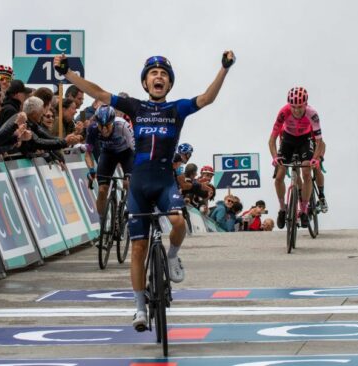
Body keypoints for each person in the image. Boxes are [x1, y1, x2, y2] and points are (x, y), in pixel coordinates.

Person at [55, 50, 236, 331]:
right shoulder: (135, 107)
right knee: (138, 248)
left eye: (164, 74)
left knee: (178, 222)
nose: (159, 77)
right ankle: (139, 308)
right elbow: (100, 93)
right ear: (145, 83)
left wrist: (224, 68)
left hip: (164, 180)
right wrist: (67, 74)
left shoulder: (176, 109)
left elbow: (206, 98)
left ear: (169, 84)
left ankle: (173, 255)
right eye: (153, 74)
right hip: (139, 181)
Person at [269, 87, 323, 229]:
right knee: (279, 176)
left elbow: (319, 141)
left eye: (300, 107)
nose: (297, 110)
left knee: (306, 171)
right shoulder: (283, 112)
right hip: (288, 140)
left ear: (305, 104)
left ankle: (304, 210)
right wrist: (275, 157)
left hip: (305, 140)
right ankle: (282, 209)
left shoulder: (312, 114)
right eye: (293, 107)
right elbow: (272, 140)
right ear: (289, 105)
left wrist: (315, 159)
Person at [84, 105, 135, 216]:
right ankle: (103, 222)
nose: (104, 129)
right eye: (101, 126)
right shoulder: (92, 129)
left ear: (112, 122)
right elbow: (88, 153)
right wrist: (91, 169)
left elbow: (135, 149)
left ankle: (132, 212)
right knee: (102, 190)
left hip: (126, 153)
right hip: (108, 154)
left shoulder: (122, 125)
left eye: (107, 125)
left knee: (128, 183)